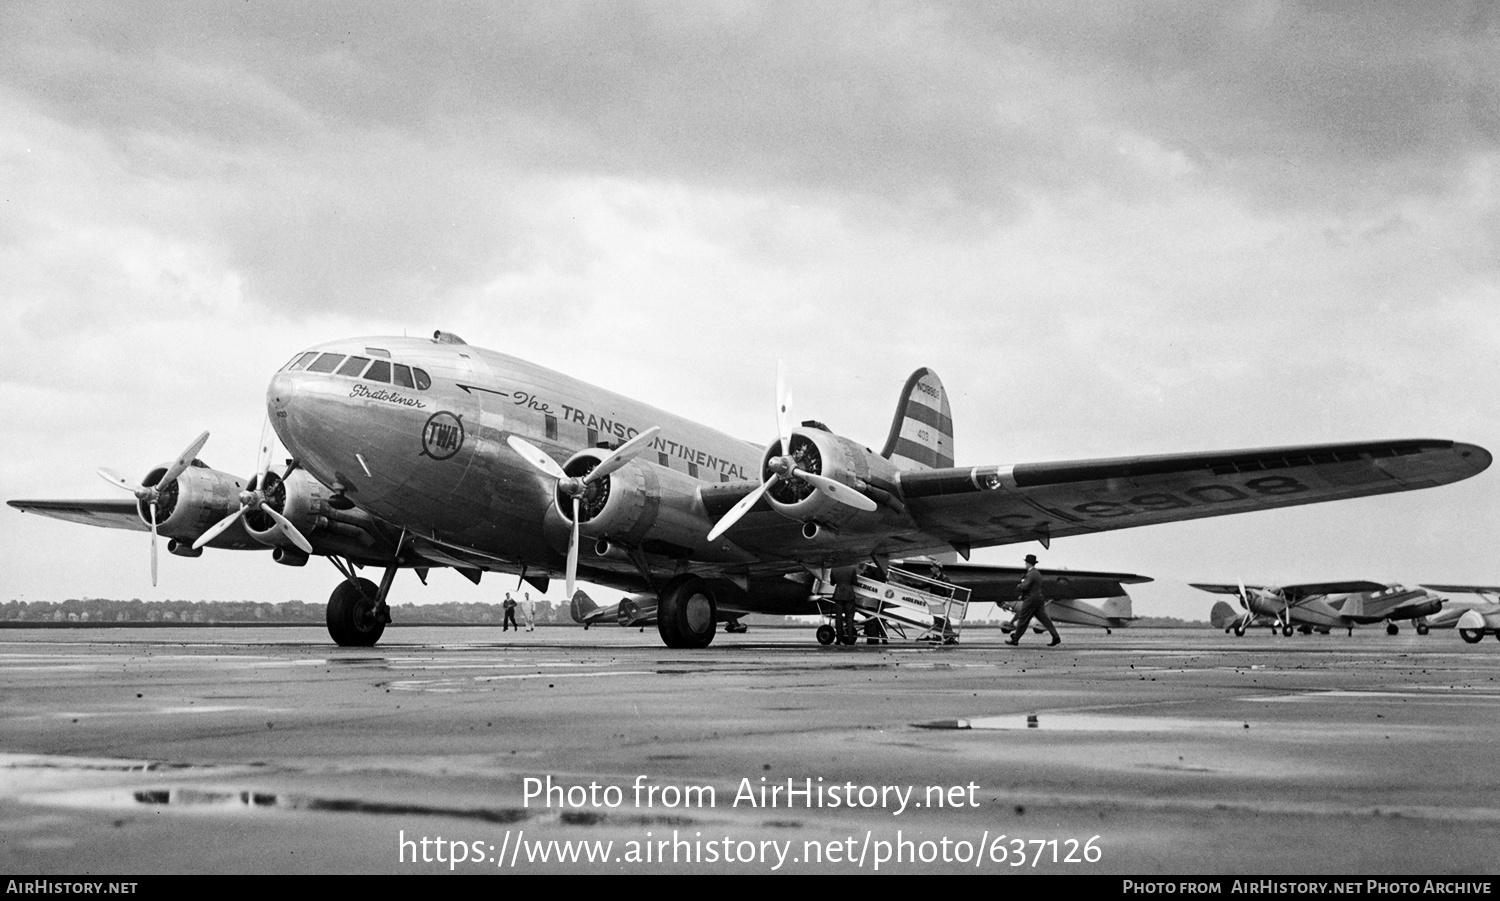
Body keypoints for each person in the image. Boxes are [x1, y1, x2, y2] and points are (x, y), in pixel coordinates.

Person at [1007, 553, 1060, 647]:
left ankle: (1015, 639)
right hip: (1039, 600)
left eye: (1026, 563)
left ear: (1028, 563)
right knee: (1045, 620)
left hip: (1030, 600)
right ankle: (1056, 637)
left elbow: (1025, 586)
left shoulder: (1030, 574)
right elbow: (1033, 587)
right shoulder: (1037, 573)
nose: (1025, 564)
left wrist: (1019, 586)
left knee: (1023, 619)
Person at [830, 565, 859, 645]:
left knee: (838, 618)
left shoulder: (834, 568)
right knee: (849, 617)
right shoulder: (852, 568)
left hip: (838, 595)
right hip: (849, 595)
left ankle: (839, 639)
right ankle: (850, 638)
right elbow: (855, 582)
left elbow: (832, 583)